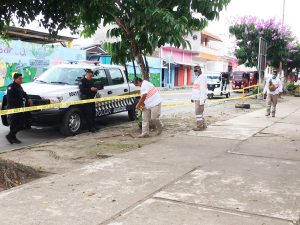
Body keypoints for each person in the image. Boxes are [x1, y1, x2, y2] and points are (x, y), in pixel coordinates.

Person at [6, 73, 32, 144]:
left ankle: (11, 136)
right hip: (13, 108)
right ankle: (11, 137)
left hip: (20, 108)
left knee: (20, 124)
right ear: (15, 79)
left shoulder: (19, 86)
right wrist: (15, 106)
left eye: (21, 78)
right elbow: (9, 99)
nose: (21, 80)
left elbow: (24, 93)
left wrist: (28, 98)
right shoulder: (10, 87)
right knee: (15, 124)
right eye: (20, 78)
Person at [191, 66, 207, 131]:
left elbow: (203, 90)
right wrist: (192, 97)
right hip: (196, 98)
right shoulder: (199, 77)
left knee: (198, 113)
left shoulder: (202, 77)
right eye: (194, 71)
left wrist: (202, 100)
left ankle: (199, 126)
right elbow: (195, 89)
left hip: (199, 99)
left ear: (200, 70)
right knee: (200, 113)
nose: (195, 72)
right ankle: (203, 125)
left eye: (196, 71)